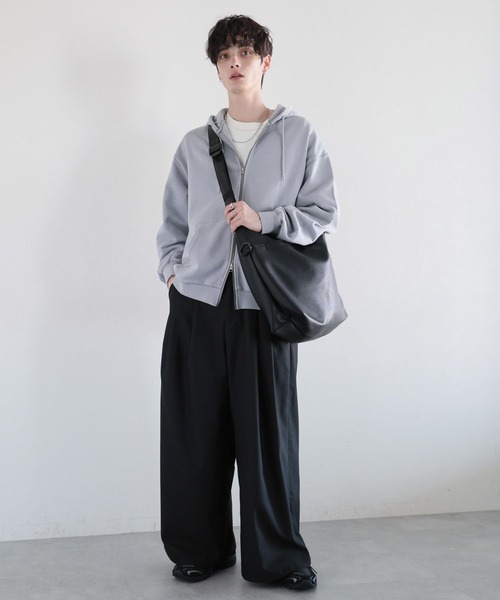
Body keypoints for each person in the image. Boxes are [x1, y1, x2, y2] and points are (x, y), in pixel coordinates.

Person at [156, 15, 338, 591]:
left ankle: (279, 558)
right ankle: (199, 550)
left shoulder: (298, 134)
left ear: (265, 62)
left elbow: (322, 213)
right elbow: (172, 226)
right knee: (194, 438)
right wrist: (173, 275)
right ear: (217, 68)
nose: (235, 62)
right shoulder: (194, 144)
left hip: (265, 309)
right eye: (224, 56)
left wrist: (268, 219)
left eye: (245, 52)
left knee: (269, 442)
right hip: (198, 307)